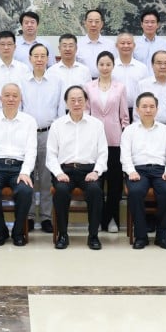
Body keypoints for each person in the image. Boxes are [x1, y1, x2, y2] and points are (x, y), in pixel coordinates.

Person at [46, 85, 108, 250]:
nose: (76, 103)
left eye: (80, 99)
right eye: (72, 100)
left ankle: (93, 235)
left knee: (95, 191)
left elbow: (103, 153)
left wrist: (96, 172)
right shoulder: (57, 125)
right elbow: (50, 156)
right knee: (61, 191)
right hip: (64, 170)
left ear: (86, 102)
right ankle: (63, 235)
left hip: (89, 170)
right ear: (66, 103)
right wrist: (58, 173)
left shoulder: (96, 125)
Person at [0, 83, 36, 247]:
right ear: (0, 98)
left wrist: (25, 172)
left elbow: (31, 151)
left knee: (25, 191)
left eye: (15, 96)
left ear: (20, 99)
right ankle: (1, 230)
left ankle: (18, 232)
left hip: (19, 168)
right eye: (7, 95)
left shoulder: (29, 121)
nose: (11, 99)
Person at [121, 92, 166, 249]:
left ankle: (162, 235)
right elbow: (125, 155)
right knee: (136, 191)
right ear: (137, 110)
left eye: (152, 106)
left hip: (160, 170)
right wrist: (130, 171)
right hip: (138, 170)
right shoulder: (130, 131)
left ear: (157, 109)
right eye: (144, 106)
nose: (148, 110)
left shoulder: (165, 130)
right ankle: (141, 236)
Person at [19, 42, 63, 234]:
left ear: (48, 59)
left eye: (42, 56)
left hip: (49, 133)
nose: (39, 59)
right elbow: (19, 110)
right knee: (27, 175)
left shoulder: (56, 82)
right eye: (35, 56)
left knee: (46, 178)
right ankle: (28, 216)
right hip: (26, 135)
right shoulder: (21, 81)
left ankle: (46, 217)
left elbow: (61, 112)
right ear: (30, 59)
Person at [85, 51, 129, 232]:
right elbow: (86, 114)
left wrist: (125, 136)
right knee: (96, 183)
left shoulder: (120, 87)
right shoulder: (88, 87)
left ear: (113, 66)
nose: (105, 67)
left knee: (114, 184)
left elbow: (124, 116)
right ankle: (97, 220)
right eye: (101, 64)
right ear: (97, 66)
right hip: (93, 141)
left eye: (108, 64)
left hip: (114, 140)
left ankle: (111, 219)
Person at [112, 32, 149, 111]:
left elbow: (146, 90)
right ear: (116, 45)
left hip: (137, 110)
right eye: (122, 43)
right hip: (115, 109)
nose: (126, 46)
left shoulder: (142, 67)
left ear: (134, 45)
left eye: (129, 43)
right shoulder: (111, 67)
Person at [78, 9, 115, 78]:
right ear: (85, 23)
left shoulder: (111, 44)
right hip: (83, 83)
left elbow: (115, 65)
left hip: (105, 82)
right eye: (90, 21)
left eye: (97, 22)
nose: (93, 24)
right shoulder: (77, 44)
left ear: (101, 24)